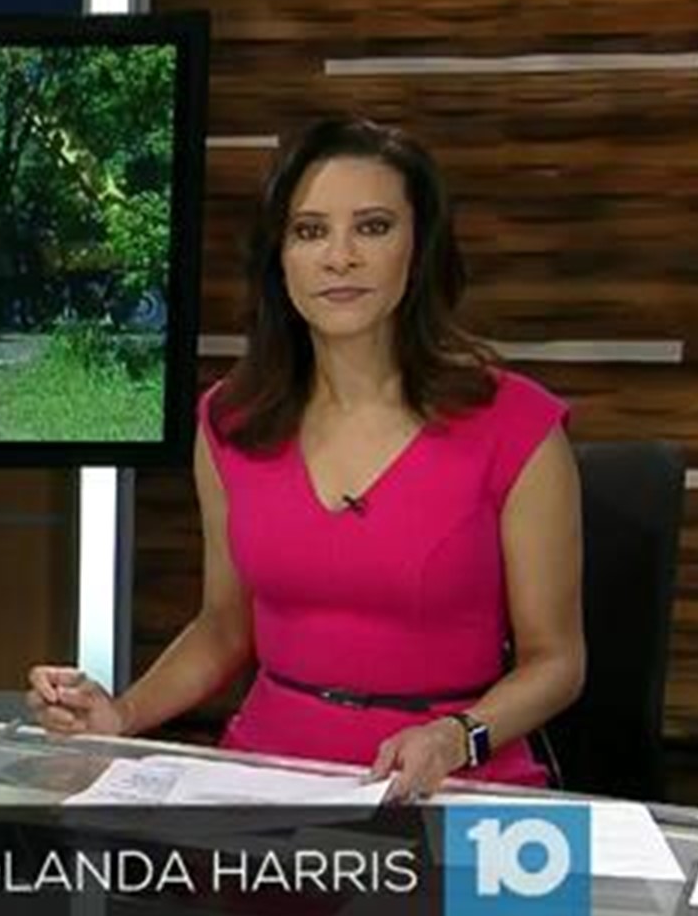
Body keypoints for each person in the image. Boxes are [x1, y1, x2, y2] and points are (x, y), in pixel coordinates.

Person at [29, 115, 584, 800]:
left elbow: (557, 662)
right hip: (267, 775)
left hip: (462, 777)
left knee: (522, 908)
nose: (339, 256)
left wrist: (456, 735)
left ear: (420, 246)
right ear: (280, 258)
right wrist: (122, 715)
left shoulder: (517, 423)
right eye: (310, 230)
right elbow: (224, 627)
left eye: (373, 227)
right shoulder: (230, 421)